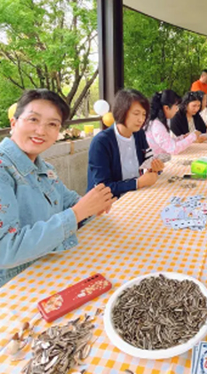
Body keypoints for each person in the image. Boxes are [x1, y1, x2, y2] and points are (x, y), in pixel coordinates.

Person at [0, 90, 116, 287]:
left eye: (52, 124)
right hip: (16, 286)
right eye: (33, 119)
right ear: (14, 123)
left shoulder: (44, 168)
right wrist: (78, 213)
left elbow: (67, 200)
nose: (41, 131)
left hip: (50, 266)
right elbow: (5, 250)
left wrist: (92, 205)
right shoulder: (3, 170)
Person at [88, 89, 164, 198]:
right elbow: (103, 187)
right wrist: (137, 183)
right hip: (110, 202)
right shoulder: (101, 142)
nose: (141, 119)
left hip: (135, 195)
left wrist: (154, 168)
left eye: (144, 114)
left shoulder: (139, 134)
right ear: (121, 111)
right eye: (136, 114)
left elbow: (148, 160)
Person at [145, 90, 198, 155]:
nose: (177, 110)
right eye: (176, 106)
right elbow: (173, 149)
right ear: (166, 108)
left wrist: (182, 138)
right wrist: (193, 136)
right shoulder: (157, 126)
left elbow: (168, 142)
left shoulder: (158, 122)